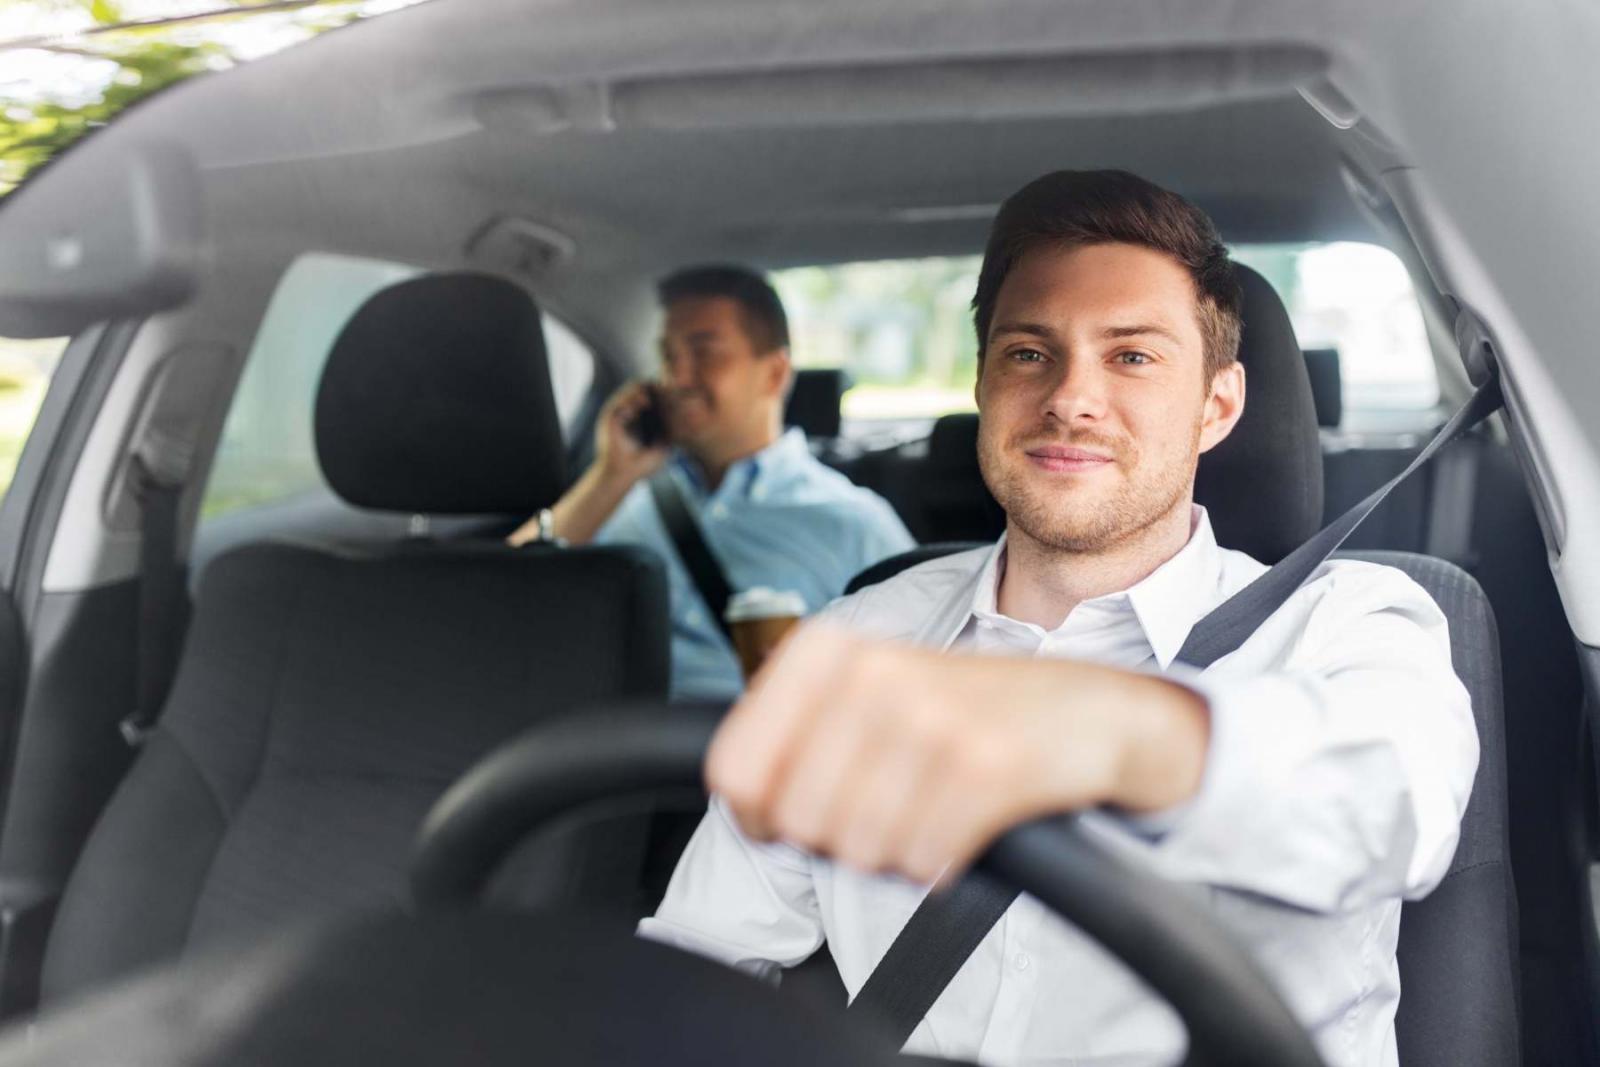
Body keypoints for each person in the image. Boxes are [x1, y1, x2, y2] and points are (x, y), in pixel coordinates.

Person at [639, 172, 1478, 1066]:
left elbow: (1395, 803)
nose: (1071, 397)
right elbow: (693, 967)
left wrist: (1117, 737)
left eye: (1132, 356)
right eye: (1030, 353)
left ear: (1218, 404)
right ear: (983, 384)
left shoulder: (1352, 626)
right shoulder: (859, 639)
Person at [509, 265, 913, 701]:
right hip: (604, 749)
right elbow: (495, 598)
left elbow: (918, 686)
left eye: (704, 352)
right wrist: (611, 475)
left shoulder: (856, 523)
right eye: (668, 356)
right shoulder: (620, 496)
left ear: (775, 373)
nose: (675, 378)